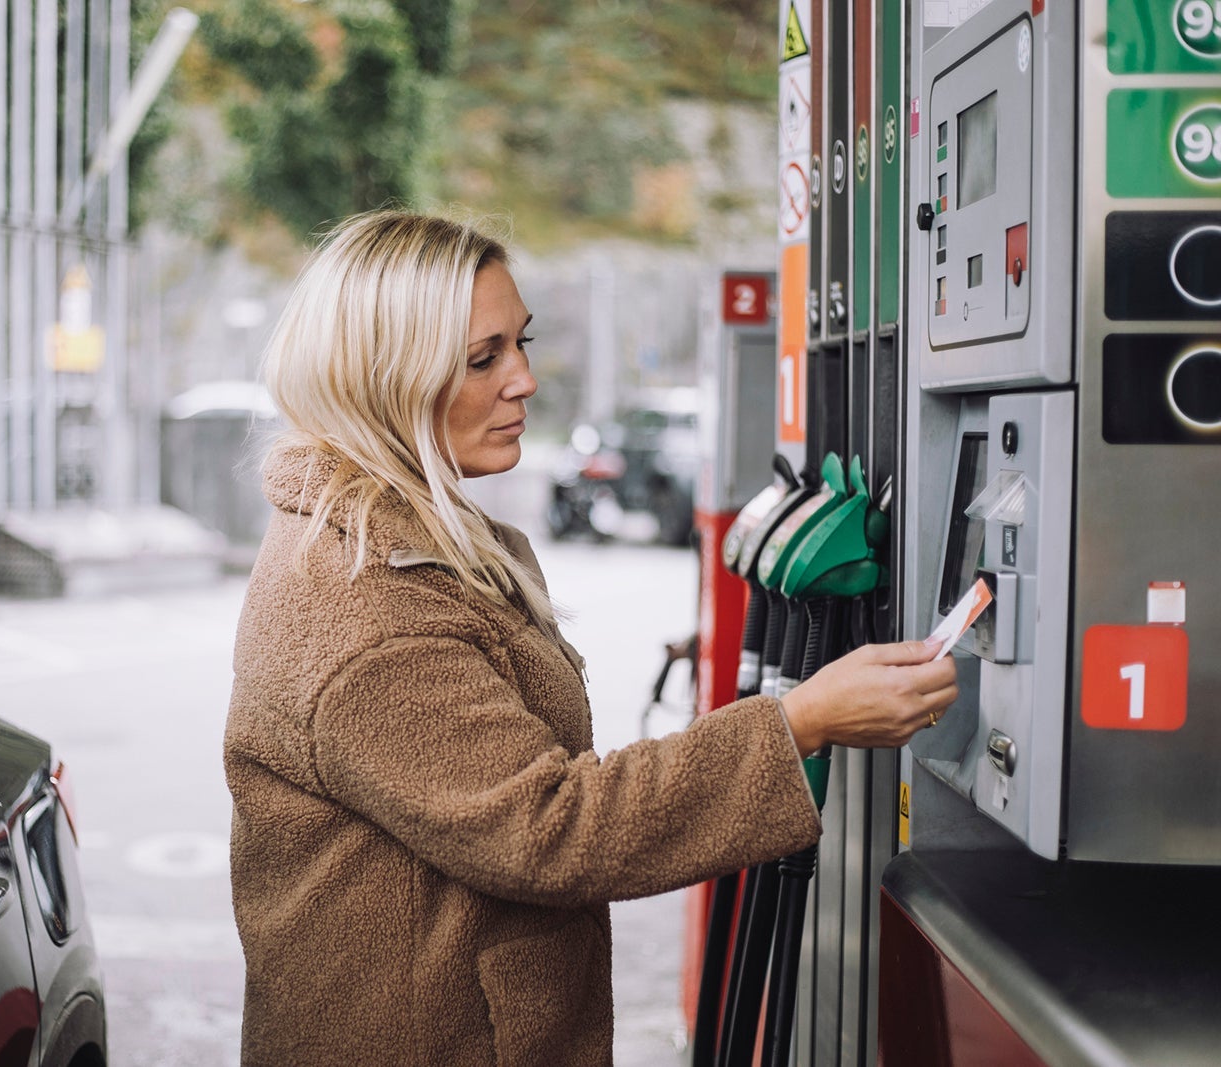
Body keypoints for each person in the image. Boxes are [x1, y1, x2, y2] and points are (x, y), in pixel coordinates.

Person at [224, 210, 957, 1066]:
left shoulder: (392, 538)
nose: (525, 379)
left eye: (521, 343)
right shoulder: (366, 608)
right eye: (482, 357)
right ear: (387, 377)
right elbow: (553, 826)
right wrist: (800, 723)